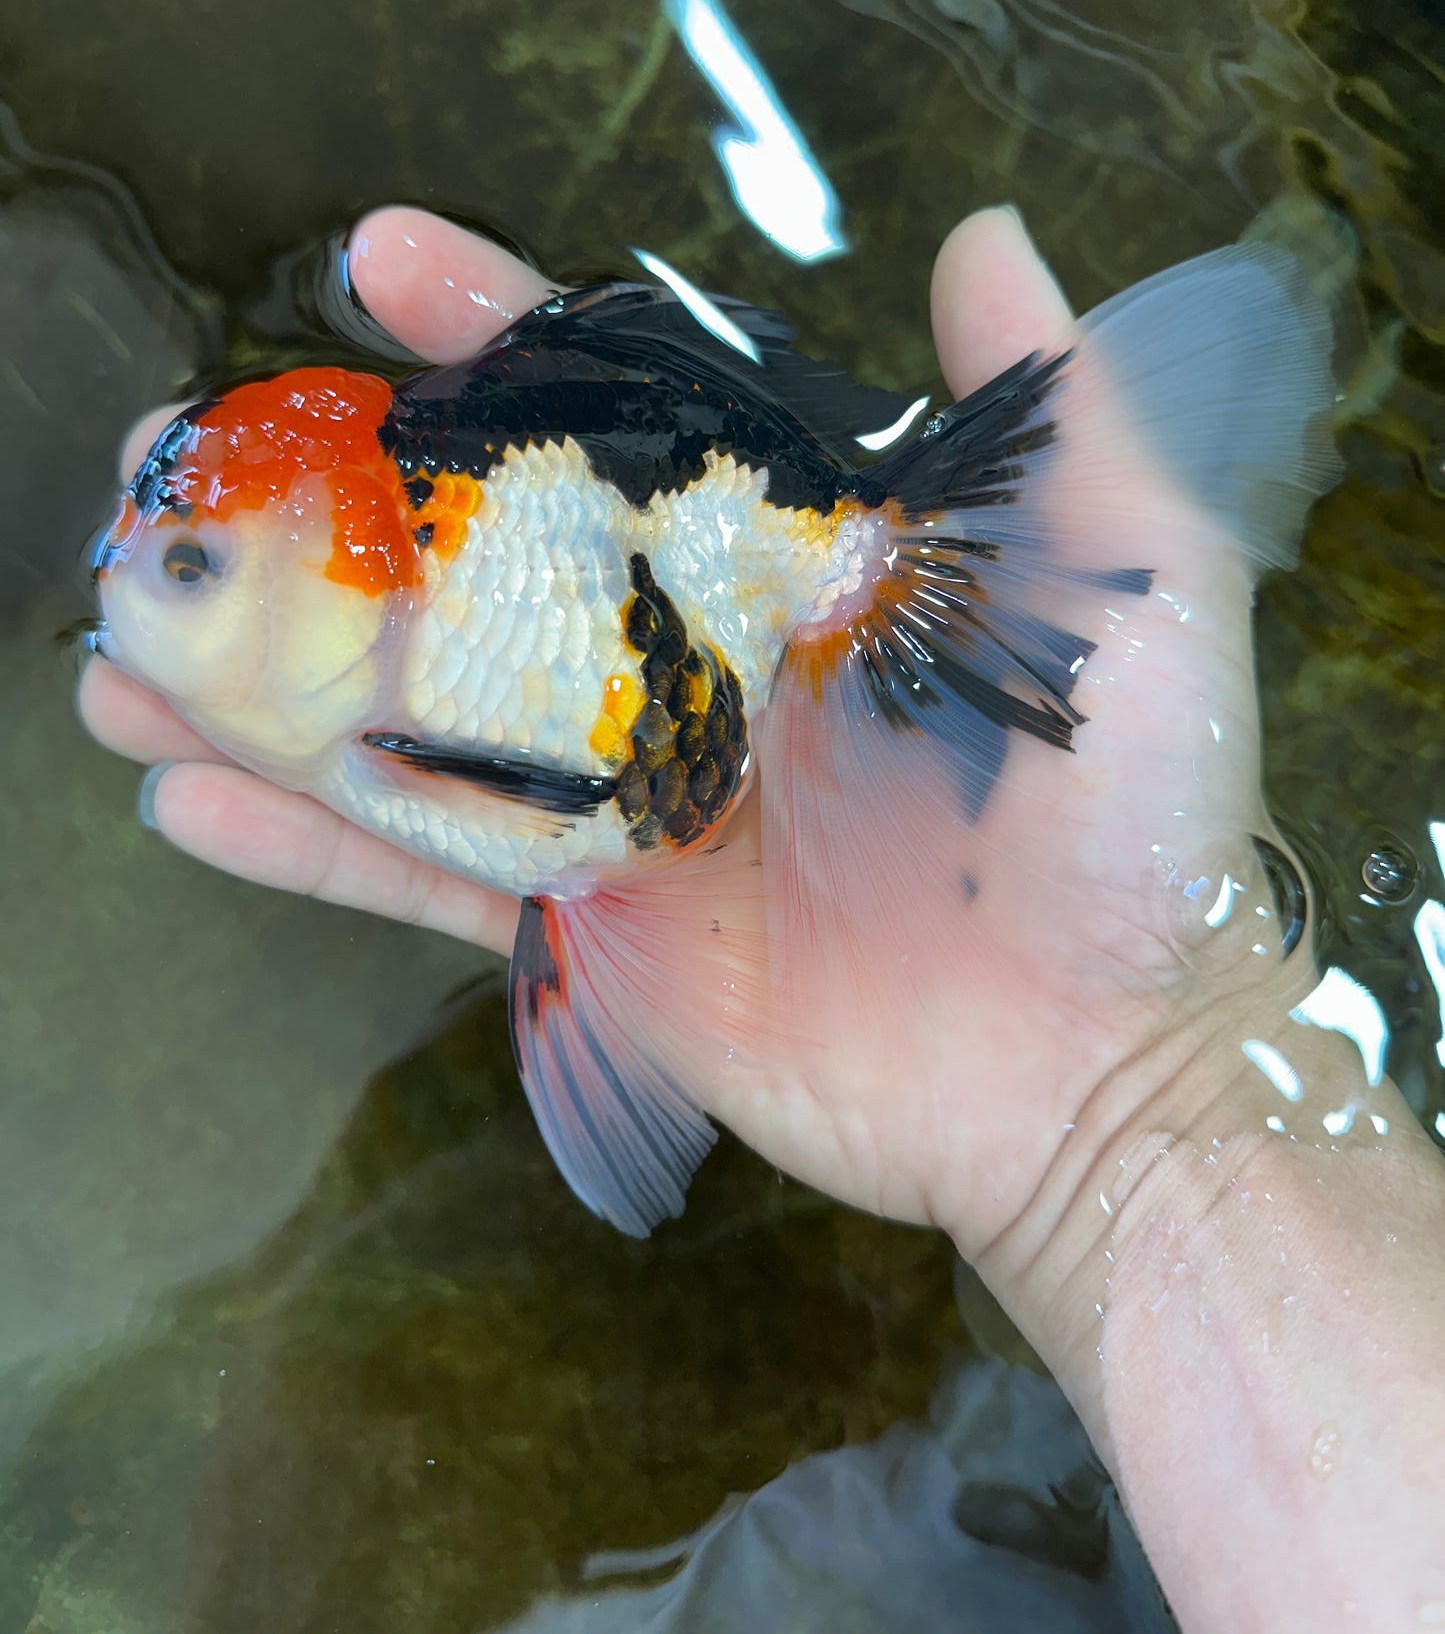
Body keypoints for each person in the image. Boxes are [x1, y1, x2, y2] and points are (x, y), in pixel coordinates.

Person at [80, 205, 1445, 1628]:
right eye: (186, 561)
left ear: (345, 577)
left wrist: (1150, 1066)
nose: (134, 590)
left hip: (731, 574)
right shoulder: (384, 713)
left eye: (192, 568)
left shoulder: (400, 723)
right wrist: (1157, 1096)